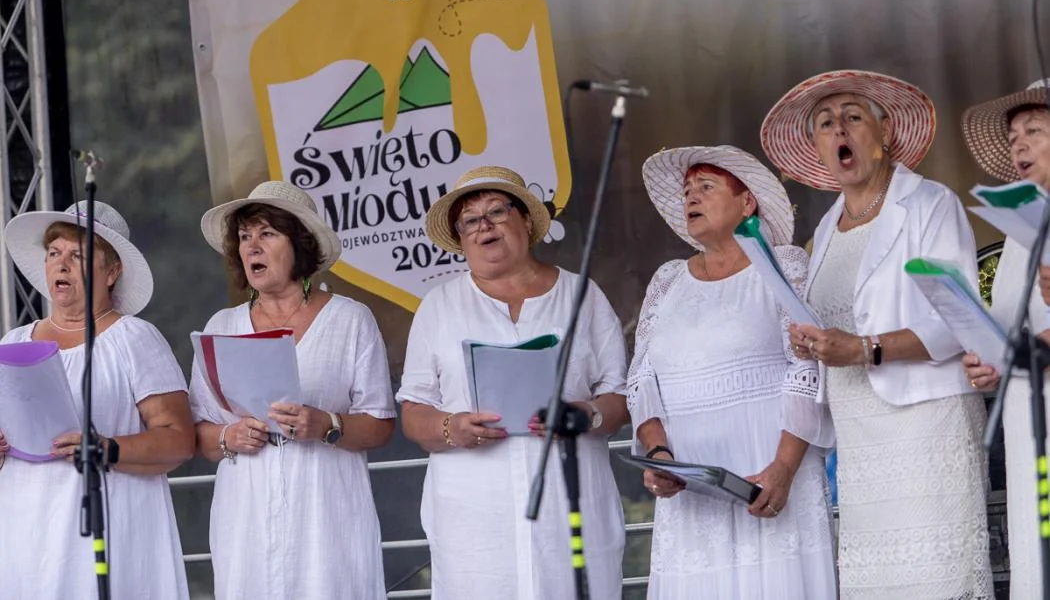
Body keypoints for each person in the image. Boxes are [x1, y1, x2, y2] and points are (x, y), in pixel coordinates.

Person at [761, 70, 993, 598]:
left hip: (926, 427)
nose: (839, 128)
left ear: (884, 133)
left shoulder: (930, 203)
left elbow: (958, 320)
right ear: (818, 148)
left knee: (936, 579)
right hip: (859, 438)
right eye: (825, 123)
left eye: (853, 116)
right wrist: (811, 342)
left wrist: (865, 349)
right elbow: (835, 320)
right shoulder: (826, 228)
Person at [397, 165, 629, 600]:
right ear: (461, 239)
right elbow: (413, 412)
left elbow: (620, 395)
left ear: (525, 219)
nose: (484, 225)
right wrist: (452, 427)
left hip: (569, 503)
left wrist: (587, 414)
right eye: (469, 220)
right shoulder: (439, 306)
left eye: (497, 211)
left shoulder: (582, 295)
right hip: (475, 519)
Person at [627, 145, 836, 599]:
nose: (691, 197)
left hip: (769, 469)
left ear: (747, 203)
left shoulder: (784, 264)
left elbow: (806, 368)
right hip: (691, 487)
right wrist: (658, 454)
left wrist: (783, 468)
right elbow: (642, 380)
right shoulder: (667, 280)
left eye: (706, 186)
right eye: (687, 190)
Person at [189, 180, 396, 599]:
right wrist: (229, 435)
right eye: (244, 237)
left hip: (326, 507)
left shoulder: (350, 319)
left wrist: (327, 424)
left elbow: (380, 424)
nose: (252, 247)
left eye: (267, 233)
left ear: (300, 244)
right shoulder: (222, 326)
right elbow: (199, 433)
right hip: (246, 512)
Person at [0, 201, 193, 599]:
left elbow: (179, 440)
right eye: (54, 253)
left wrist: (108, 448)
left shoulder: (134, 338)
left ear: (112, 271)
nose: (62, 264)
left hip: (109, 527)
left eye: (78, 255)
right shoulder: (12, 342)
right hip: (25, 533)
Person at [961, 79, 1050, 600]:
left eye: (1034, 130)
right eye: (1013, 137)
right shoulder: (1018, 232)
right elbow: (1011, 327)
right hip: (1024, 415)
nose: (1019, 144)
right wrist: (991, 362)